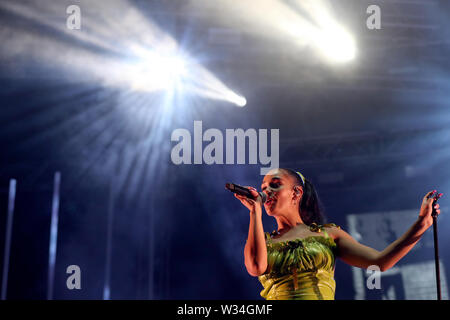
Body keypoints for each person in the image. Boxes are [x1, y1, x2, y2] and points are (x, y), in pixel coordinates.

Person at [234, 168, 442, 300]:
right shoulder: (264, 240)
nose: (266, 190)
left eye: (275, 184)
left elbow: (379, 262)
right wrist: (255, 212)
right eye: (263, 187)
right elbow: (255, 267)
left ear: (296, 193)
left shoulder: (328, 234)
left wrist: (422, 223)